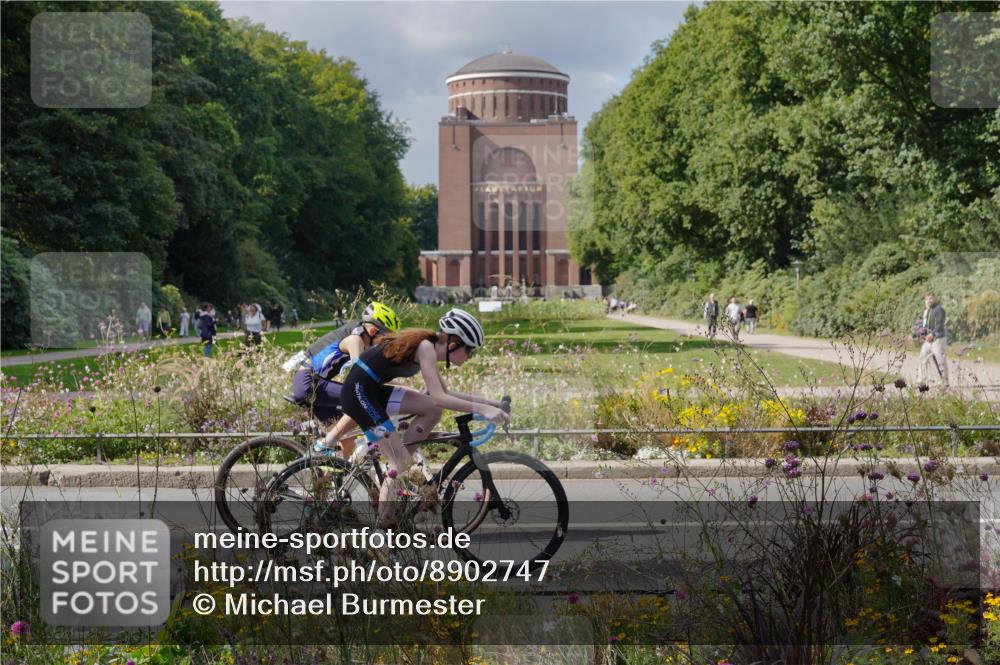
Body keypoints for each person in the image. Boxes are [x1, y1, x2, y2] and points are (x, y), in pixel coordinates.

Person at [335, 308, 508, 527]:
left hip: (374, 392)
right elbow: (439, 397)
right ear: (454, 344)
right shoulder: (426, 347)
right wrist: (484, 411)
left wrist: (492, 404)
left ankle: (404, 454)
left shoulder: (429, 349)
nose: (470, 356)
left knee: (431, 410)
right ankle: (381, 536)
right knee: (398, 464)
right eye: (470, 350)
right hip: (358, 394)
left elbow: (444, 396)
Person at [294, 302, 402, 460]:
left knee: (348, 441)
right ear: (373, 331)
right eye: (385, 339)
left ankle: (325, 482)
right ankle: (323, 444)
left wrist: (401, 387)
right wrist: (401, 390)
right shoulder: (354, 340)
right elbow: (361, 379)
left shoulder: (358, 337)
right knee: (358, 398)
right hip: (309, 384)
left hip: (314, 385)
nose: (385, 345)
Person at [916, 292, 949, 386]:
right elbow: (925, 324)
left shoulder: (939, 309)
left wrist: (933, 334)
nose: (929, 300)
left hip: (937, 339)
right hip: (928, 340)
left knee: (940, 360)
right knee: (922, 357)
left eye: (931, 298)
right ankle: (921, 378)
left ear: (934, 299)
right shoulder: (927, 310)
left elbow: (940, 324)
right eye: (927, 299)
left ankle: (945, 381)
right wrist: (922, 334)